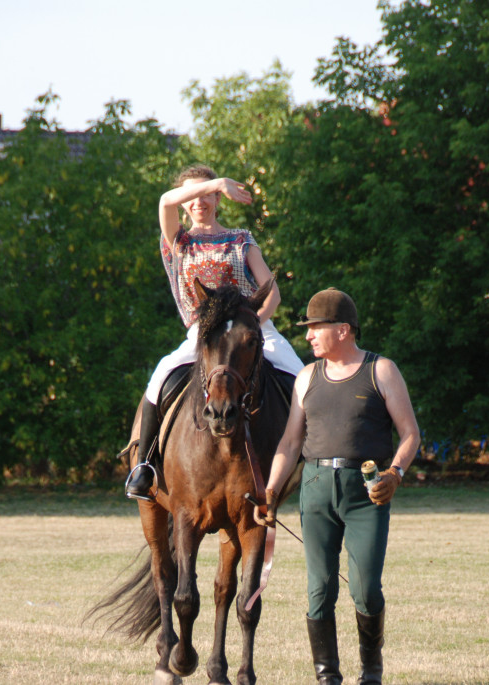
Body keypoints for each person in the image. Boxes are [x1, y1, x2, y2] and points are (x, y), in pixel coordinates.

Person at [254, 288, 421, 685]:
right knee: (319, 590)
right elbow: (290, 442)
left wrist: (394, 474)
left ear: (343, 330)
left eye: (316, 328)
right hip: (314, 487)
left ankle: (371, 673)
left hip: (366, 492)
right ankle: (327, 677)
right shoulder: (307, 377)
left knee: (365, 590)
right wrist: (271, 491)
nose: (308, 335)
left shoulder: (381, 370)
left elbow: (411, 434)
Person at [125, 164, 304, 500]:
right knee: (160, 377)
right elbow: (165, 201)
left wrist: (253, 327)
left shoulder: (241, 239)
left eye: (207, 194)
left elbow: (273, 292)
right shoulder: (178, 241)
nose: (199, 202)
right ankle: (144, 466)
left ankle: (312, 461)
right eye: (192, 195)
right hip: (204, 334)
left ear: (218, 200)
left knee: (302, 378)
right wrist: (217, 182)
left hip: (254, 328)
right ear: (184, 201)